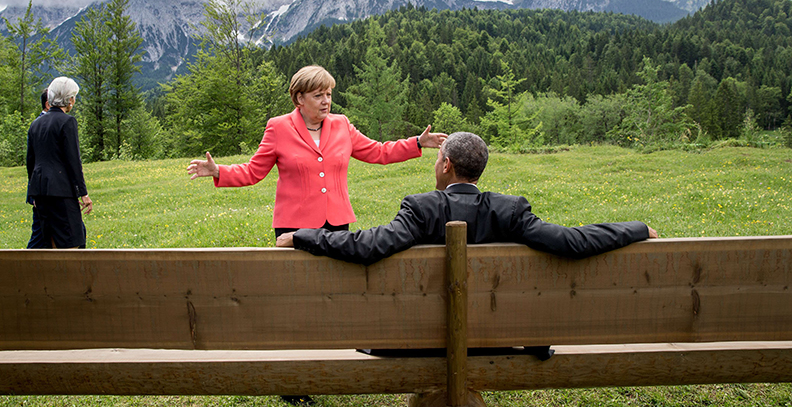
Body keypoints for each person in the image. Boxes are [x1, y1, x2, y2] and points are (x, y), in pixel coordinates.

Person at [277, 132, 657, 263]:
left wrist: (304, 235)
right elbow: (573, 241)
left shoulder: (421, 209)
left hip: (420, 340)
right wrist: (636, 228)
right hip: (499, 335)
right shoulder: (510, 211)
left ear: (445, 165)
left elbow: (367, 246)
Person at [187, 65, 447, 237]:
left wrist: (417, 143)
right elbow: (254, 171)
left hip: (337, 223)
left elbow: (378, 152)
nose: (326, 101)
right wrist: (217, 170)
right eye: (318, 95)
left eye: (329, 94)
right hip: (294, 225)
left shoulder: (342, 124)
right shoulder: (278, 127)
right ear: (300, 98)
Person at [26, 77, 92, 249]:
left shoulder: (36, 123)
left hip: (40, 190)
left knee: (50, 239)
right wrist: (83, 193)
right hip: (61, 189)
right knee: (72, 240)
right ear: (70, 99)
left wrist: (33, 189)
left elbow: (30, 161)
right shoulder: (67, 122)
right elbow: (73, 161)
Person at [26, 88, 50, 249]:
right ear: (48, 104)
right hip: (44, 190)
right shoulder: (41, 125)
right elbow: (32, 162)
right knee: (40, 234)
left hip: (43, 189)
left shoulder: (39, 123)